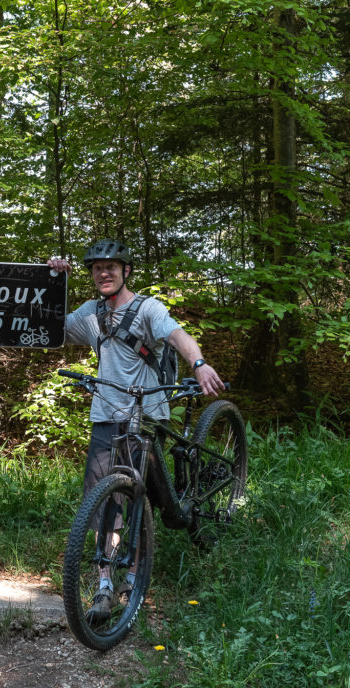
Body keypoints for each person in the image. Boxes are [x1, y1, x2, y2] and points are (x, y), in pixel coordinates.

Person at [48, 239, 224, 623]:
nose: (104, 273)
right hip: (105, 416)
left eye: (111, 267)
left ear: (125, 271)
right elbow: (49, 327)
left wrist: (199, 364)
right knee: (103, 503)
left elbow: (177, 335)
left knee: (137, 499)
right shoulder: (91, 313)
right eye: (96, 268)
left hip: (146, 413)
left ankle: (132, 580)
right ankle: (105, 586)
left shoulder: (147, 308)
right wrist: (51, 281)